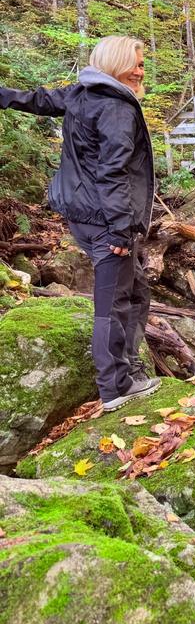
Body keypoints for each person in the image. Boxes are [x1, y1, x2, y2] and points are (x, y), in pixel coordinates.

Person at [0, 35, 161, 411]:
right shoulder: (116, 107)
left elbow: (37, 101)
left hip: (83, 212)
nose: (141, 72)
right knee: (112, 303)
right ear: (115, 65)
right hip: (105, 219)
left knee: (137, 291)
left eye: (142, 65)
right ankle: (115, 386)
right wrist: (120, 228)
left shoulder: (82, 93)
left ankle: (129, 368)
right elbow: (113, 171)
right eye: (135, 64)